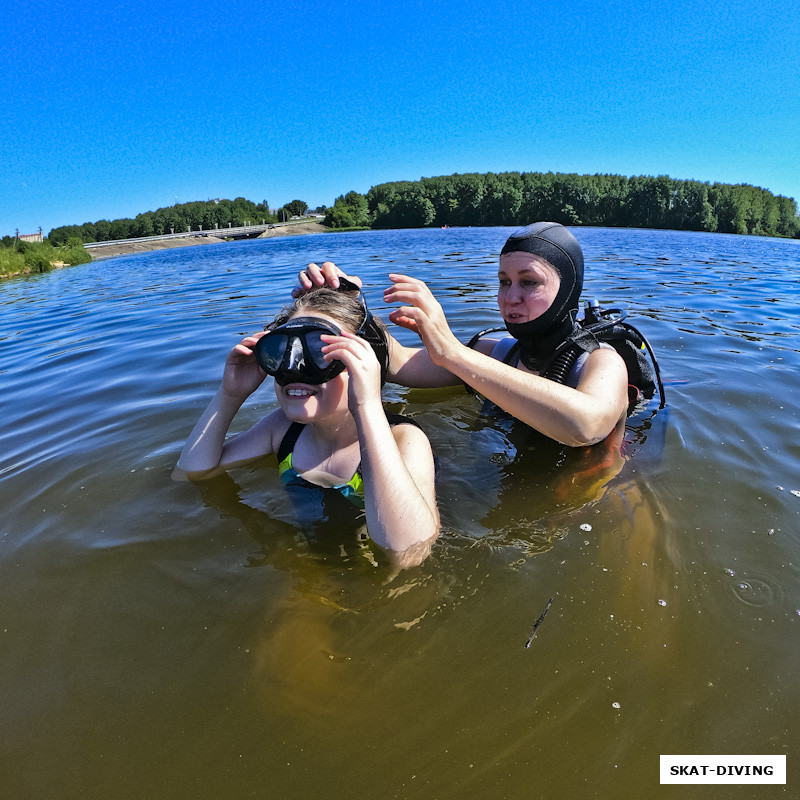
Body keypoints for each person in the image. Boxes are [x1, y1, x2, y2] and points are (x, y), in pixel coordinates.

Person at [295, 222, 632, 448]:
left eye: (529, 282)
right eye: (504, 281)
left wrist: (453, 353)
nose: (510, 297)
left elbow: (587, 425)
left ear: (568, 289)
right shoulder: (496, 354)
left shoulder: (602, 361)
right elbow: (397, 365)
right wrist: (347, 306)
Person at [174, 286, 440, 567]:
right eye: (282, 351)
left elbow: (409, 553)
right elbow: (192, 473)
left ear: (367, 365)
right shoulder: (283, 429)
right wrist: (230, 394)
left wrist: (367, 405)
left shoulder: (404, 439)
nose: (295, 367)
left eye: (322, 351)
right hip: (312, 563)